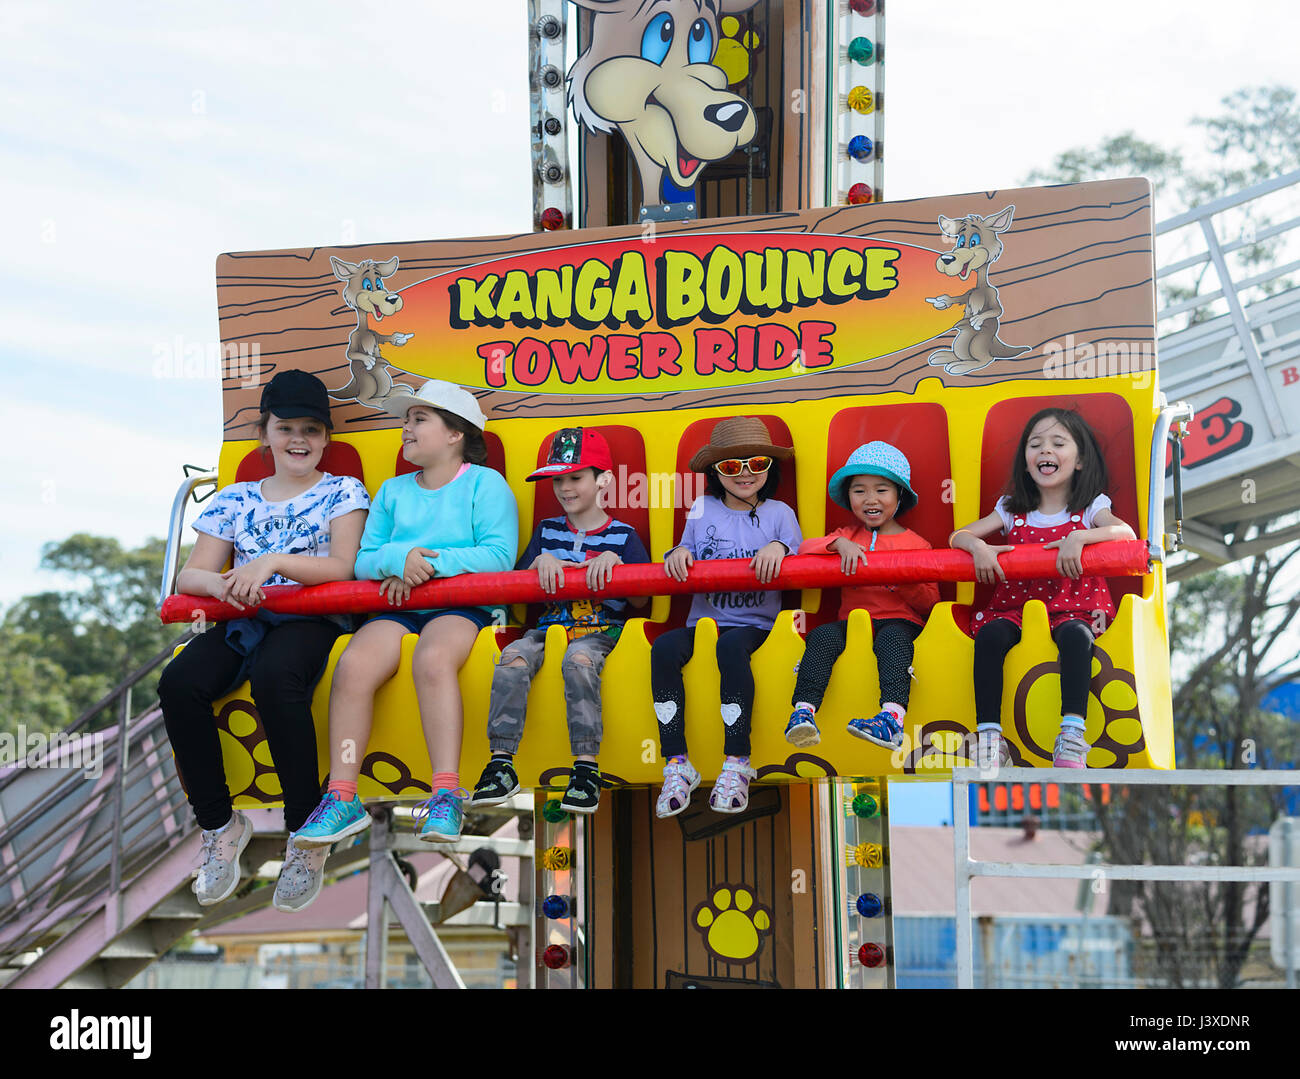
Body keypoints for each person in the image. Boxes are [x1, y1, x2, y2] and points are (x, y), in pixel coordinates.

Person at [158, 370, 369, 912]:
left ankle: (305, 833)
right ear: (265, 433)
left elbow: (342, 565)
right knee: (179, 681)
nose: (298, 440)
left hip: (310, 617)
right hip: (245, 616)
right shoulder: (234, 499)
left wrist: (270, 563)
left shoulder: (343, 491)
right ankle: (220, 825)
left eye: (311, 430)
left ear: (326, 438)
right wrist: (231, 582)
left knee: (277, 678)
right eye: (286, 428)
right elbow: (191, 577)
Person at [294, 379, 518, 847]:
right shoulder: (394, 492)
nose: (406, 429)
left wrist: (423, 565)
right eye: (406, 420)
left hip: (463, 606)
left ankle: (446, 794)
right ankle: (342, 795)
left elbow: (499, 555)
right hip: (397, 606)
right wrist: (400, 560)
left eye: (419, 419)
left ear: (455, 434)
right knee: (353, 666)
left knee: (432, 659)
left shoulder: (485, 484)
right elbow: (363, 559)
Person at [469, 428, 650, 814]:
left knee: (578, 662)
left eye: (576, 477)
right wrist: (539, 562)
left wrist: (616, 566)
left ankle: (586, 768)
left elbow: (642, 599)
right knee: (512, 659)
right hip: (547, 629)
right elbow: (515, 592)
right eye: (559, 480)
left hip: (600, 632)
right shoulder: (547, 532)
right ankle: (501, 763)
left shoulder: (624, 536)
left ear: (604, 480)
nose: (565, 488)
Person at [949, 408, 1136, 768]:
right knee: (989, 638)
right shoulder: (1010, 509)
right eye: (1035, 445)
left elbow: (1125, 534)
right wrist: (978, 547)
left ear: (1079, 460)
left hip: (1074, 606)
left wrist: (1079, 537)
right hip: (1017, 606)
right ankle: (989, 735)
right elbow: (959, 534)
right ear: (1026, 460)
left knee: (1076, 638)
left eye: (1058, 443)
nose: (1045, 451)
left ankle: (1071, 734)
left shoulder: (1089, 508)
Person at [653, 417, 802, 818]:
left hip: (754, 626)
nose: (745, 475)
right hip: (702, 622)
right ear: (715, 473)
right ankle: (676, 763)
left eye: (756, 464)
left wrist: (778, 548)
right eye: (731, 467)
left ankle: (737, 759)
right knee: (664, 648)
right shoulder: (702, 509)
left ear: (770, 469)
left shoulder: (780, 513)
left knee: (732, 649)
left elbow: (799, 553)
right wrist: (678, 554)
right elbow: (683, 551)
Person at [785, 441, 938, 750]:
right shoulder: (846, 535)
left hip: (898, 621)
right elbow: (804, 549)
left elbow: (930, 602)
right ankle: (803, 711)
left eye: (881, 490)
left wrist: (899, 578)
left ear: (899, 496)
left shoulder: (917, 544)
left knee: (893, 640)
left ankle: (892, 719)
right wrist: (837, 546)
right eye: (860, 491)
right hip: (852, 624)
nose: (871, 499)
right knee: (821, 636)